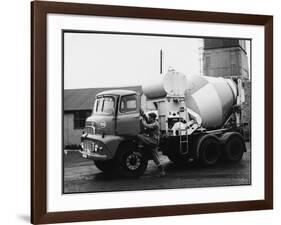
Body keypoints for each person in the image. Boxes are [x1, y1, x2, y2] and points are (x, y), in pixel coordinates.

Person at [137, 110, 166, 177]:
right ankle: (162, 172)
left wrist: (142, 120)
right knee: (155, 157)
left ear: (153, 118)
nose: (149, 118)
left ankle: (139, 151)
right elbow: (147, 120)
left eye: (150, 117)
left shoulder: (155, 124)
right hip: (154, 141)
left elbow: (146, 125)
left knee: (140, 136)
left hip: (154, 141)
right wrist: (143, 115)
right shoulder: (153, 122)